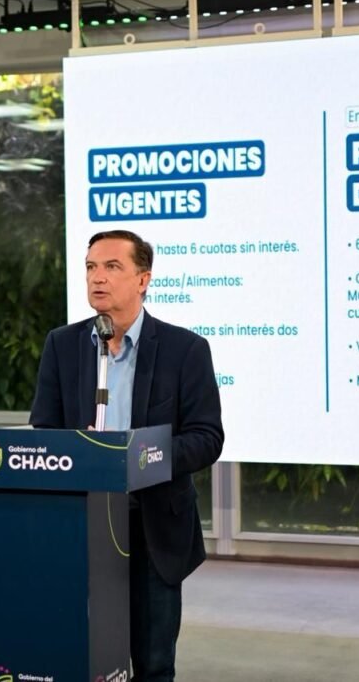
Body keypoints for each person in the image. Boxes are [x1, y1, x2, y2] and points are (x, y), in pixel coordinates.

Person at [29, 229, 224, 682]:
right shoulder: (63, 345)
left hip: (152, 525)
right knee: (82, 657)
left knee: (153, 663)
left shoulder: (185, 350)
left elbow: (206, 438)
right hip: (82, 525)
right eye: (91, 267)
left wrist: (140, 457)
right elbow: (46, 431)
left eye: (112, 267)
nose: (97, 278)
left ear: (143, 279)